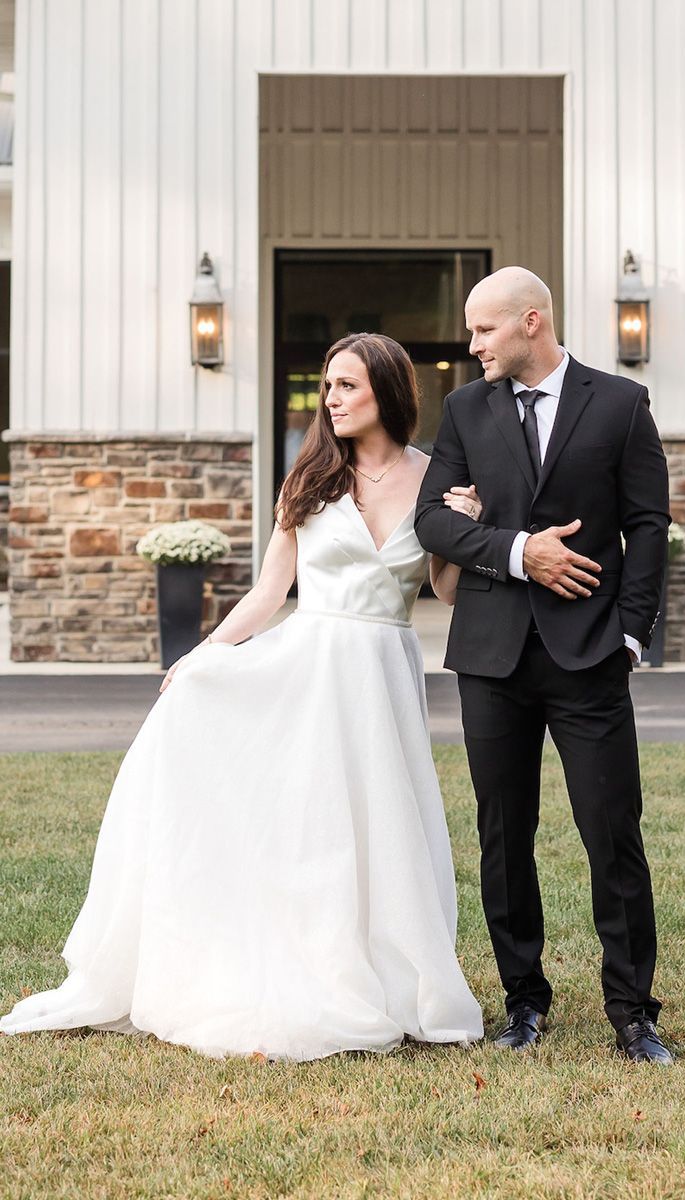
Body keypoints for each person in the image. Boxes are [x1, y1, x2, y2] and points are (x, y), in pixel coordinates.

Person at [1, 333, 485, 1061]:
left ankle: (393, 971)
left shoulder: (433, 476)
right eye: (328, 386)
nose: (332, 399)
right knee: (315, 827)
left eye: (347, 385)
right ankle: (310, 962)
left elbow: (443, 589)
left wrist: (470, 529)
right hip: (312, 666)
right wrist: (203, 656)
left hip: (385, 667)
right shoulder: (312, 478)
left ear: (387, 390)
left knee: (381, 821)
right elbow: (270, 591)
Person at [414, 267, 674, 1065]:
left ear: (532, 321)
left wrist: (631, 634)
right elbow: (432, 521)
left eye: (483, 330)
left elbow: (648, 523)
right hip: (492, 658)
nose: (470, 345)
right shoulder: (464, 408)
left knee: (612, 833)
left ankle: (633, 1014)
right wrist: (520, 552)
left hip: (590, 654)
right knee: (504, 837)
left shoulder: (621, 405)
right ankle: (524, 1004)